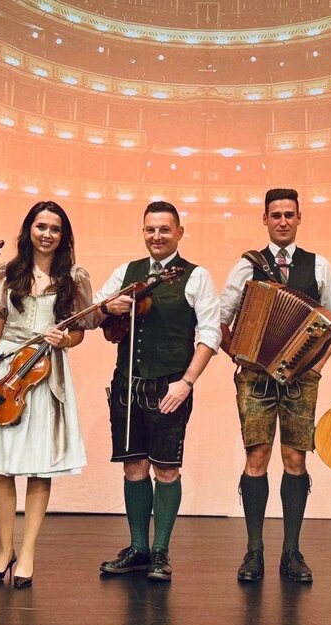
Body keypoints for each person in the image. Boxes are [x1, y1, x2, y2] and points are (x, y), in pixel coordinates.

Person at [0, 201, 96, 589]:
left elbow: (80, 331)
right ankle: (4, 551)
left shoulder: (74, 276)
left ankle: (28, 554)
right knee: (0, 465)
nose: (47, 234)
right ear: (29, 230)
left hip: (45, 371)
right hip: (7, 371)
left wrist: (65, 338)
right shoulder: (8, 273)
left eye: (55, 228)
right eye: (41, 226)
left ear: (63, 235)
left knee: (40, 467)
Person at [93, 201, 220, 582]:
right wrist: (107, 306)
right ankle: (138, 548)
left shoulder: (197, 277)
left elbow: (210, 335)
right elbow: (93, 313)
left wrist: (187, 383)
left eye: (164, 229)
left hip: (170, 385)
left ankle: (161, 551)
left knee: (166, 469)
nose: (157, 236)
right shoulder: (125, 272)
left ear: (179, 233)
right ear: (143, 231)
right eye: (150, 229)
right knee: (134, 467)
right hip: (127, 385)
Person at [217, 188, 331, 583]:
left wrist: (317, 367)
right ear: (265, 219)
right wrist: (238, 354)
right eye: (276, 215)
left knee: (296, 460)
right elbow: (219, 318)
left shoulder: (319, 265)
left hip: (301, 380)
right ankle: (254, 551)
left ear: (300, 217)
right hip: (255, 379)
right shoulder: (246, 265)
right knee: (255, 459)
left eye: (289, 214)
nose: (283, 221)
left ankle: (292, 551)